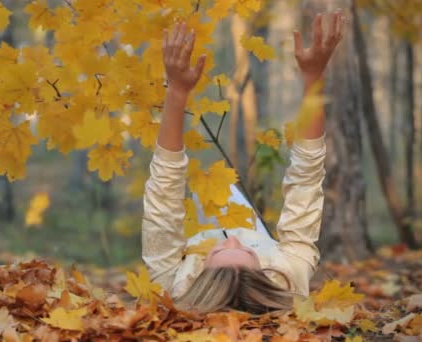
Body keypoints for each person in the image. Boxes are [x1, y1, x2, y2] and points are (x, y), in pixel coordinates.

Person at [142, 10, 344, 314]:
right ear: (264, 272)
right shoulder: (290, 274)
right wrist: (314, 78)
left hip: (191, 235)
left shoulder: (172, 284)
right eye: (248, 251)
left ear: (199, 274)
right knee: (235, 201)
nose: (233, 239)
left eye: (220, 251)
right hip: (244, 226)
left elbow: (163, 197)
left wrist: (177, 92)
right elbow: (307, 178)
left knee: (183, 196)